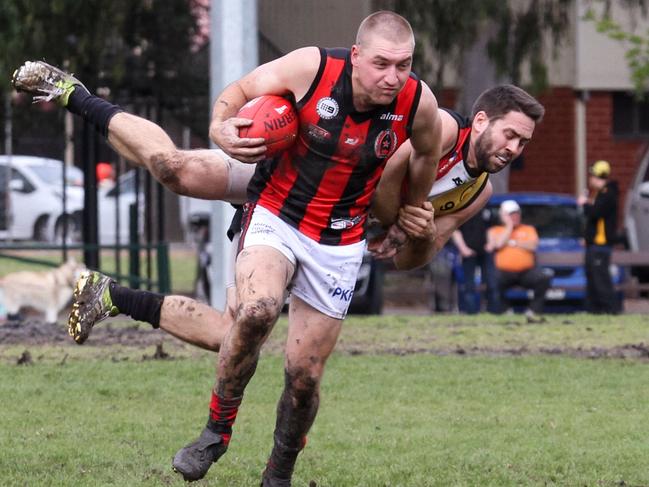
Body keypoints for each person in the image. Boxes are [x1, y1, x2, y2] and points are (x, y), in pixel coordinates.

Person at [13, 58, 545, 483]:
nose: (513, 150)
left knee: (233, 333)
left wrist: (421, 235)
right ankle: (76, 96)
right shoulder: (438, 130)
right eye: (510, 136)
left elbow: (413, 257)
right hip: (293, 177)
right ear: (481, 120)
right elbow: (383, 185)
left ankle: (109, 295)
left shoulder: (477, 192)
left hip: (330, 228)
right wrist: (397, 217)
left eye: (522, 143)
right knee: (176, 169)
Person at [486, 200, 552, 323]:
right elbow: (498, 244)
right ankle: (505, 310)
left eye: (516, 214)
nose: (515, 217)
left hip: (526, 272)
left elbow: (532, 245)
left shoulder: (528, 229)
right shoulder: (495, 230)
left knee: (544, 277)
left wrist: (513, 242)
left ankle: (533, 310)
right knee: (492, 279)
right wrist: (509, 227)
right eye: (511, 214)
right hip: (505, 272)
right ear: (503, 216)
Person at [577, 160, 619, 314]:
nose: (590, 178)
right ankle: (594, 310)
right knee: (593, 278)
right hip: (594, 244)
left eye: (592, 175)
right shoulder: (602, 194)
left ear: (597, 176)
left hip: (600, 245)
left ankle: (610, 309)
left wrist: (585, 204)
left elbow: (596, 213)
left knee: (601, 279)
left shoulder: (608, 193)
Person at [451, 210, 499, 313]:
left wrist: (490, 244)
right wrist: (463, 248)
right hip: (468, 252)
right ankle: (471, 313)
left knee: (491, 282)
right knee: (469, 285)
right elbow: (455, 230)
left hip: (485, 252)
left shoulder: (486, 208)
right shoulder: (463, 209)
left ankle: (493, 312)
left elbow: (490, 228)